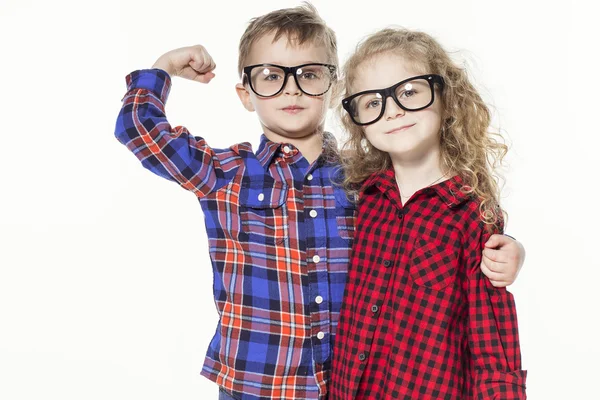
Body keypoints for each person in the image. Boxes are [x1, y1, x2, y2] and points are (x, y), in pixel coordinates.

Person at [114, 4, 526, 399]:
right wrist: (164, 66)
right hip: (256, 384)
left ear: (332, 91)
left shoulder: (365, 181)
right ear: (245, 93)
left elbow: (426, 218)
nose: (291, 87)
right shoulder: (223, 173)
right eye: (271, 75)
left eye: (309, 74)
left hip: (345, 384)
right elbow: (137, 129)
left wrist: (510, 250)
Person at [330, 28, 527, 399]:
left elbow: (491, 340)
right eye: (372, 102)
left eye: (409, 91)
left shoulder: (473, 215)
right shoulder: (358, 197)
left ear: (446, 98)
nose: (393, 110)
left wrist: (513, 247)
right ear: (358, 120)